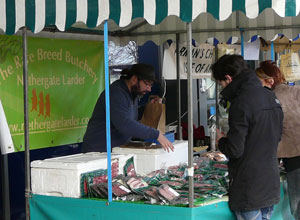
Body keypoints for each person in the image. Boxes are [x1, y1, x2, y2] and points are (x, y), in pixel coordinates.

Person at [212, 55, 283, 220]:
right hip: (270, 183)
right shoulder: (271, 96)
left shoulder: (241, 102)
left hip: (249, 188)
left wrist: (221, 140)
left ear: (228, 78)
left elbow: (235, 150)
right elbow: (278, 136)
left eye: (221, 83)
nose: (221, 87)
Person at [82, 63, 174, 153]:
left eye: (151, 85)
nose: (149, 89)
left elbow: (131, 115)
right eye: (147, 84)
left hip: (115, 150)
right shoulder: (116, 93)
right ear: (134, 79)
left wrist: (149, 107)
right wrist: (156, 134)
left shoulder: (132, 94)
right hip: (98, 152)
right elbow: (125, 124)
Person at [256, 60, 300, 220]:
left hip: (294, 158)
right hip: (293, 157)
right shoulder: (296, 90)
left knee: (298, 206)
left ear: (268, 80)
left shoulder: (270, 98)